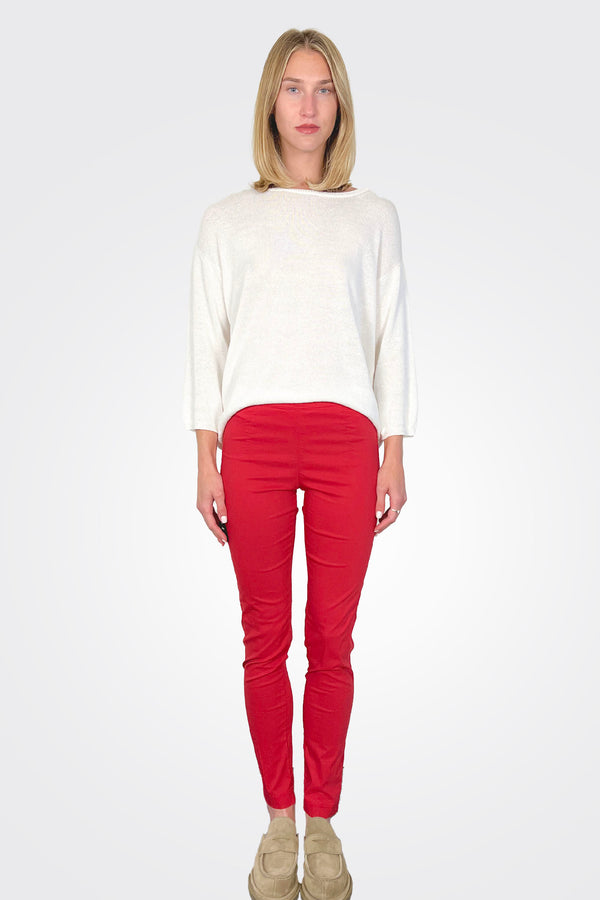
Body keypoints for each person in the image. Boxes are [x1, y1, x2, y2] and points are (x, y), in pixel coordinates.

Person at [182, 27, 418, 900]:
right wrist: (204, 455)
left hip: (347, 439)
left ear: (341, 104)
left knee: (331, 641)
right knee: (263, 638)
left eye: (323, 88)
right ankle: (277, 822)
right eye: (293, 87)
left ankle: (323, 824)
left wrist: (396, 447)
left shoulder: (374, 216)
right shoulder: (226, 220)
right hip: (250, 438)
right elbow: (206, 339)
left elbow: (392, 334)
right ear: (271, 103)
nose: (308, 104)